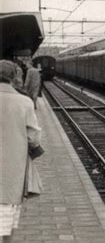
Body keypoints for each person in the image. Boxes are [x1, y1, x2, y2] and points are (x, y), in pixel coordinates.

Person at [0, 60, 42, 242]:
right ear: (14, 77)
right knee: (6, 215)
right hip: (12, 168)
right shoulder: (24, 102)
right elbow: (33, 137)